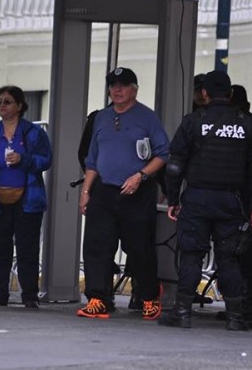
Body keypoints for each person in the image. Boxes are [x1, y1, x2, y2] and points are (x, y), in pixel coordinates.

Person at [160, 70, 252, 331]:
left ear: (204, 93)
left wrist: (173, 198)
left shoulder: (193, 122)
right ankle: (235, 317)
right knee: (229, 259)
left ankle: (183, 312)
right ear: (230, 94)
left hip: (196, 199)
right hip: (232, 201)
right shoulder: (247, 124)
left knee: (192, 256)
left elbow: (174, 167)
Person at [77, 67, 169, 320]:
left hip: (137, 192)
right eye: (113, 85)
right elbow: (92, 159)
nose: (117, 90)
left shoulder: (147, 117)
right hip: (104, 191)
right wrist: (86, 191)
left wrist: (140, 176)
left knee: (138, 247)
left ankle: (149, 295)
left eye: (123, 85)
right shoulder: (101, 118)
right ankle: (98, 298)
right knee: (97, 246)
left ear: (134, 89)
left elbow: (163, 153)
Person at [0, 85, 52, 308]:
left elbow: (46, 160)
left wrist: (23, 160)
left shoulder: (34, 133)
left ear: (20, 106)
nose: (2, 106)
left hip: (28, 198)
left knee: (27, 249)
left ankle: (29, 295)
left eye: (7, 101)